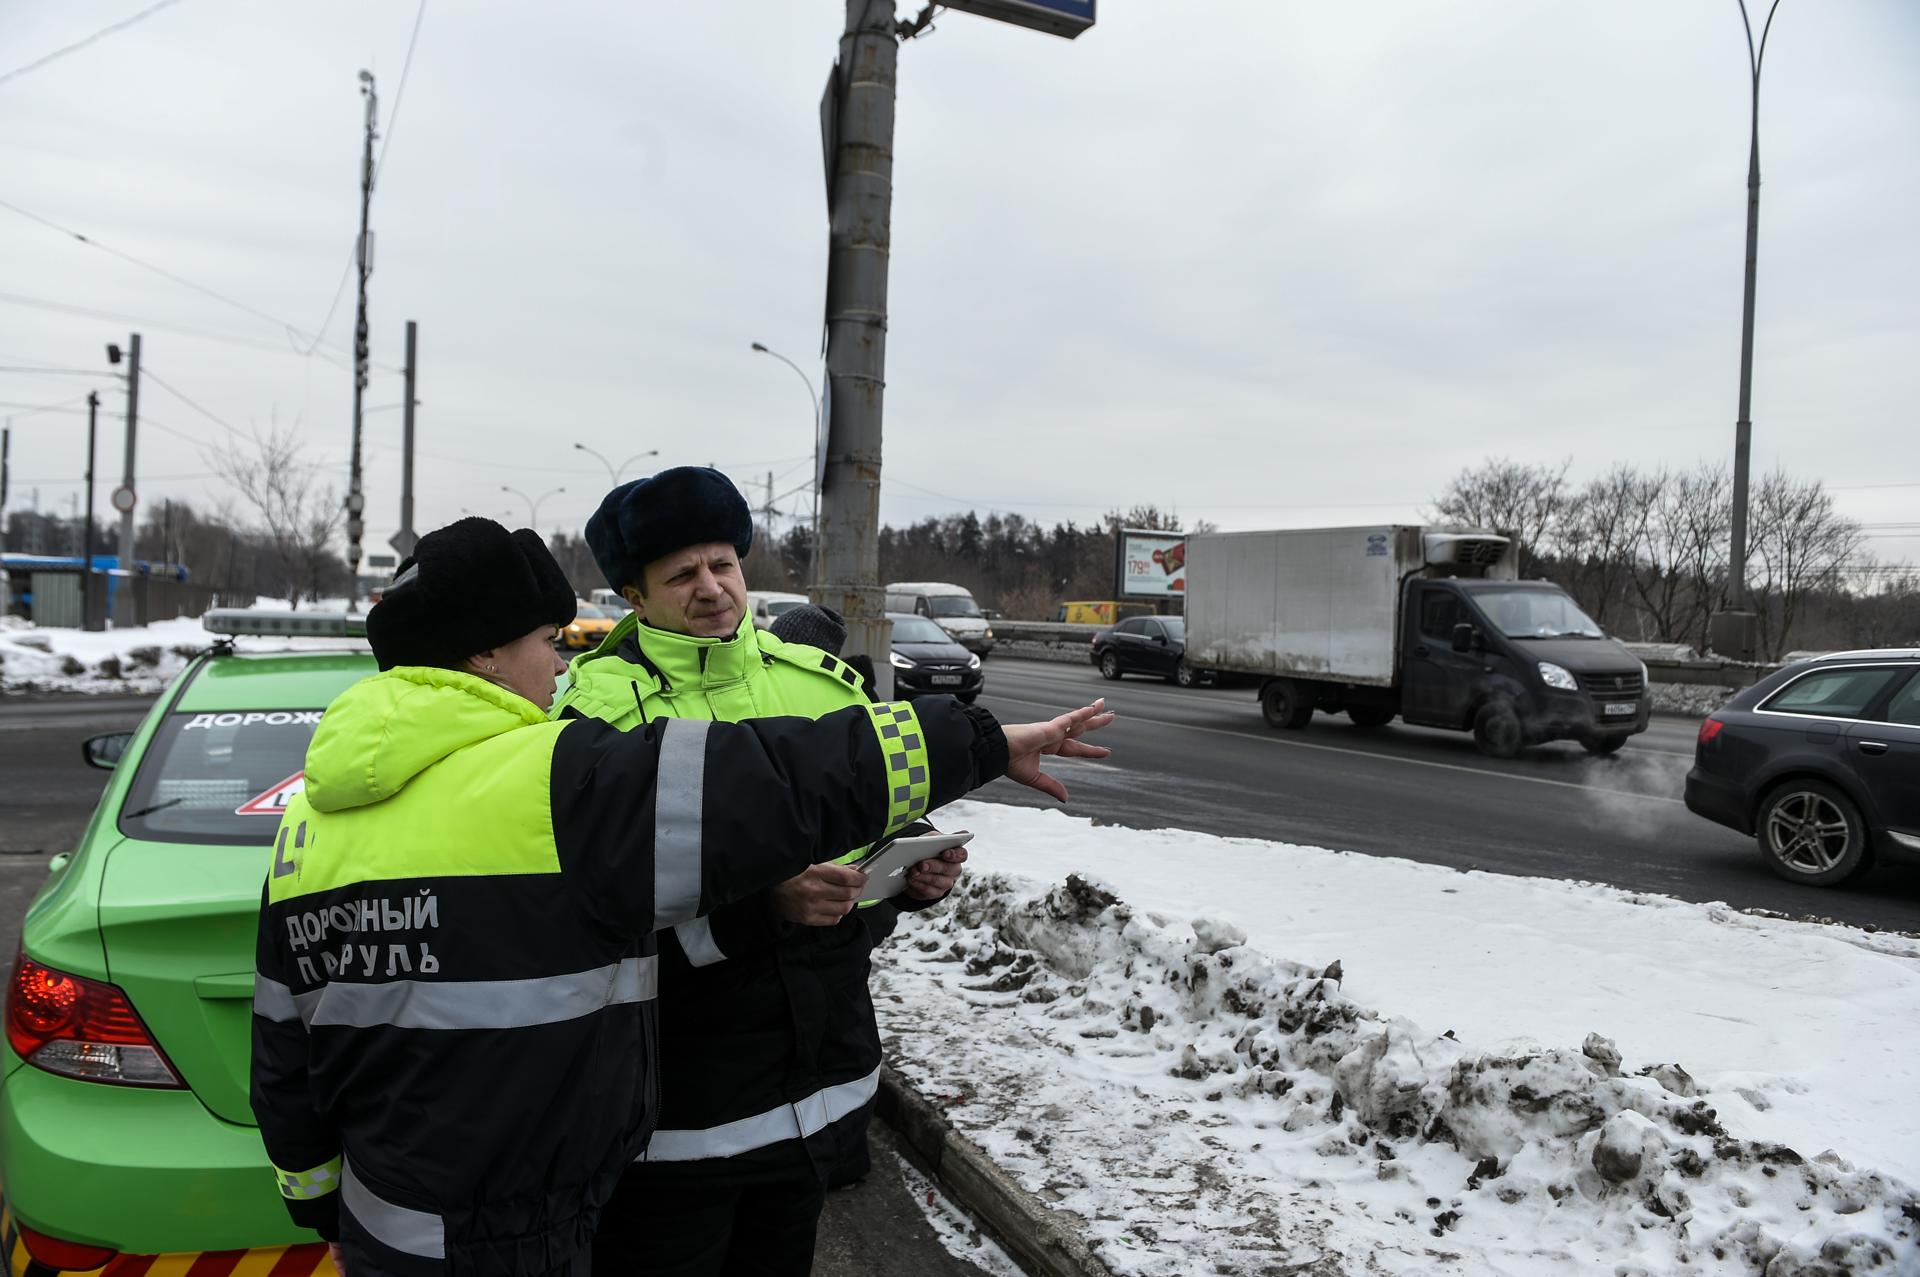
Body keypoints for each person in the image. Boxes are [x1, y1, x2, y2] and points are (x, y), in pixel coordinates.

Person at [248, 517, 1113, 1277]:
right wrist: (982, 741)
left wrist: (326, 1209)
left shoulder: (306, 827)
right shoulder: (551, 778)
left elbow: (284, 1062)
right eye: (547, 638)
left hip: (387, 1225)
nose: (559, 659)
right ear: (483, 653)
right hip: (527, 1226)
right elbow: (776, 783)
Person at [552, 468, 965, 1276]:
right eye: (682, 575)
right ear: (634, 596)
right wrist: (767, 902)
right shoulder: (593, 717)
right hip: (676, 1125)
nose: (712, 589)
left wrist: (909, 878)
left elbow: (870, 839)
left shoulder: (817, 683)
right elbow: (593, 920)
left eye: (723, 565)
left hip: (818, 1094)